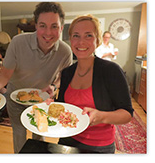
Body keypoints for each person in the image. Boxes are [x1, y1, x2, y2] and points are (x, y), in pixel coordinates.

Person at [0, 2, 73, 153]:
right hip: (15, 99)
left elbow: (63, 77)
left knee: (40, 135)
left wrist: (54, 86)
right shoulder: (18, 42)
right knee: (19, 135)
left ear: (61, 28)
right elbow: (4, 76)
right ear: (36, 25)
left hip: (41, 101)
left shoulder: (65, 51)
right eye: (42, 25)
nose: (48, 32)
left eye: (54, 26)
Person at [55, 14, 133, 153]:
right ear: (71, 40)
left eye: (88, 35)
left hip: (99, 145)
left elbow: (127, 113)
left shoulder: (111, 71)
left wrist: (102, 116)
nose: (81, 42)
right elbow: (63, 107)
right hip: (67, 138)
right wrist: (51, 103)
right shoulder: (67, 73)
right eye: (76, 35)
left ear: (97, 40)